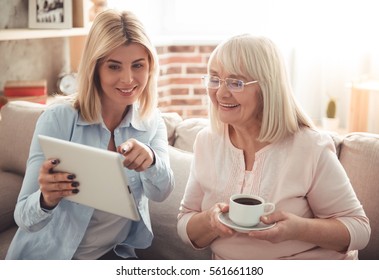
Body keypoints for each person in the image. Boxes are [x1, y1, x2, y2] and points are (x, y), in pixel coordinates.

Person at [177, 34, 371, 259]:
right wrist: (210, 221)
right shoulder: (207, 142)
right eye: (214, 79)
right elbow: (185, 223)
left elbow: (359, 230)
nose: (220, 93)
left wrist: (297, 229)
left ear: (267, 88)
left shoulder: (309, 147)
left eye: (235, 82)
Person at [6, 9, 174, 260]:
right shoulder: (58, 119)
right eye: (114, 66)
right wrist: (46, 199)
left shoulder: (151, 121)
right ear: (95, 68)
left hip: (113, 254)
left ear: (150, 67)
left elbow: (161, 192)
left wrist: (151, 160)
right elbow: (23, 217)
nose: (128, 79)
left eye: (138, 65)